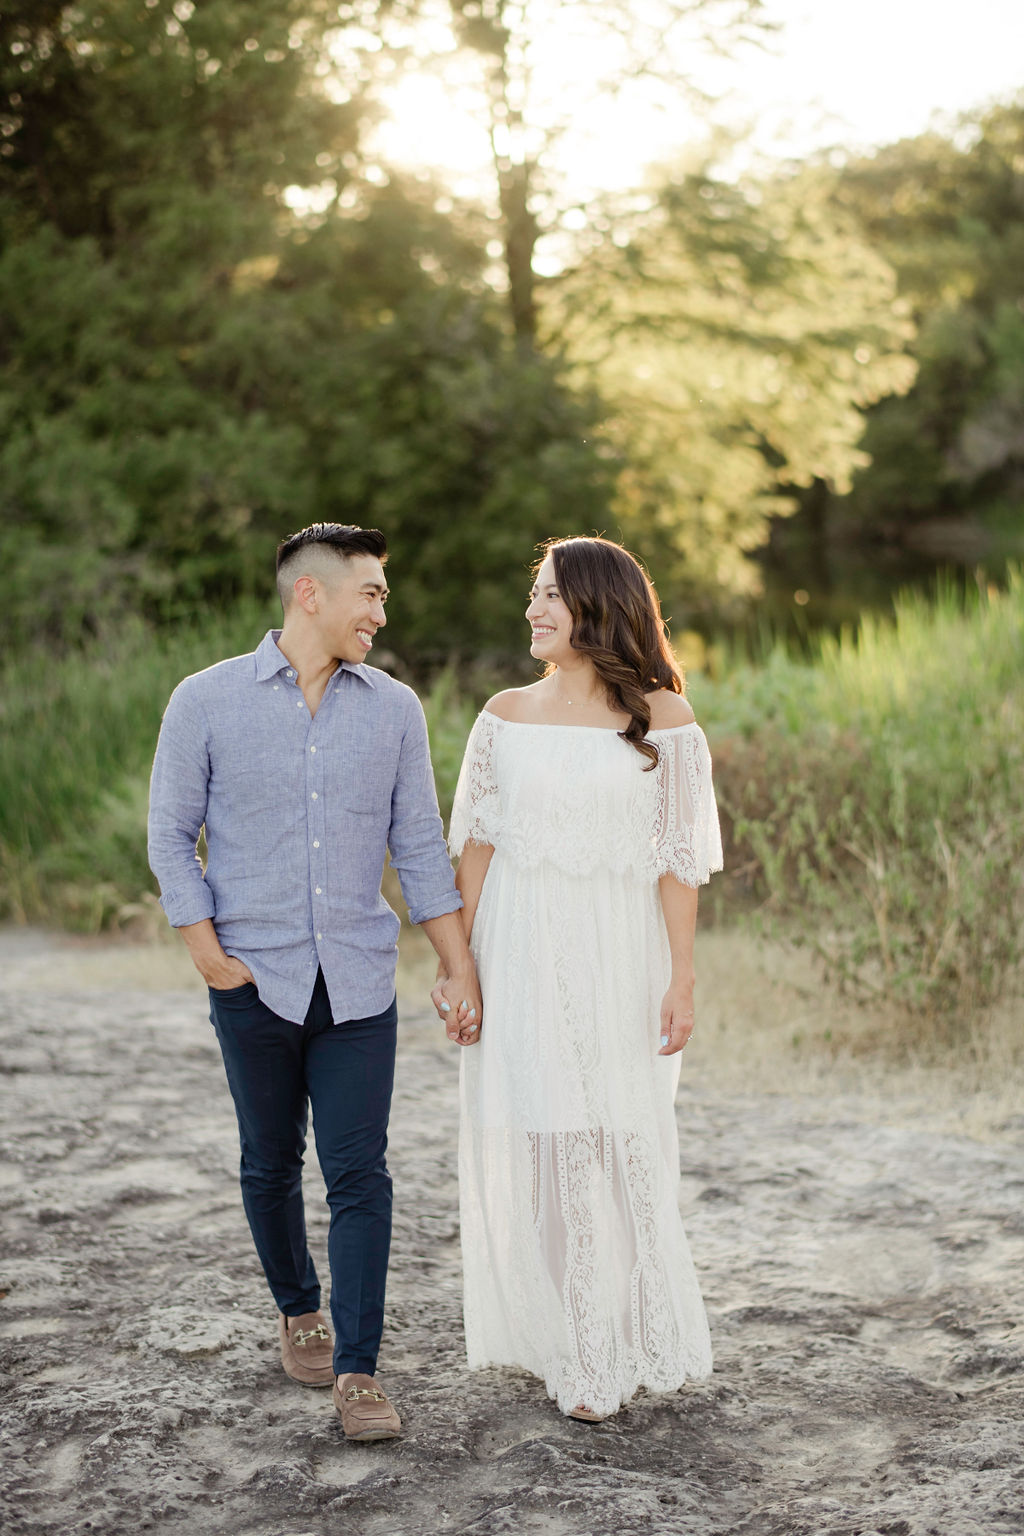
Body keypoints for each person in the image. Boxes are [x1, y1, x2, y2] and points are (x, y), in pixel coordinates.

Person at [147, 522, 481, 1442]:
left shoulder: (395, 710)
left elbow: (418, 844)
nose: (382, 609)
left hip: (359, 984)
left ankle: (359, 1369)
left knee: (359, 1171)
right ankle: (299, 1308)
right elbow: (171, 834)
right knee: (268, 1160)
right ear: (312, 595)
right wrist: (206, 952)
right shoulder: (205, 701)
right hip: (250, 977)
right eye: (370, 593)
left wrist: (458, 965)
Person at [438, 535, 722, 1422]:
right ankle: (580, 1347)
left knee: (616, 1133)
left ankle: (633, 1325)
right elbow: (473, 856)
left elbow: (679, 864)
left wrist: (681, 978)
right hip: (520, 947)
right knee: (543, 1136)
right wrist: (461, 971)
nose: (534, 609)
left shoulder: (665, 721)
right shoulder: (504, 715)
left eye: (551, 595)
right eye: (534, 594)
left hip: (619, 952)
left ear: (598, 605)